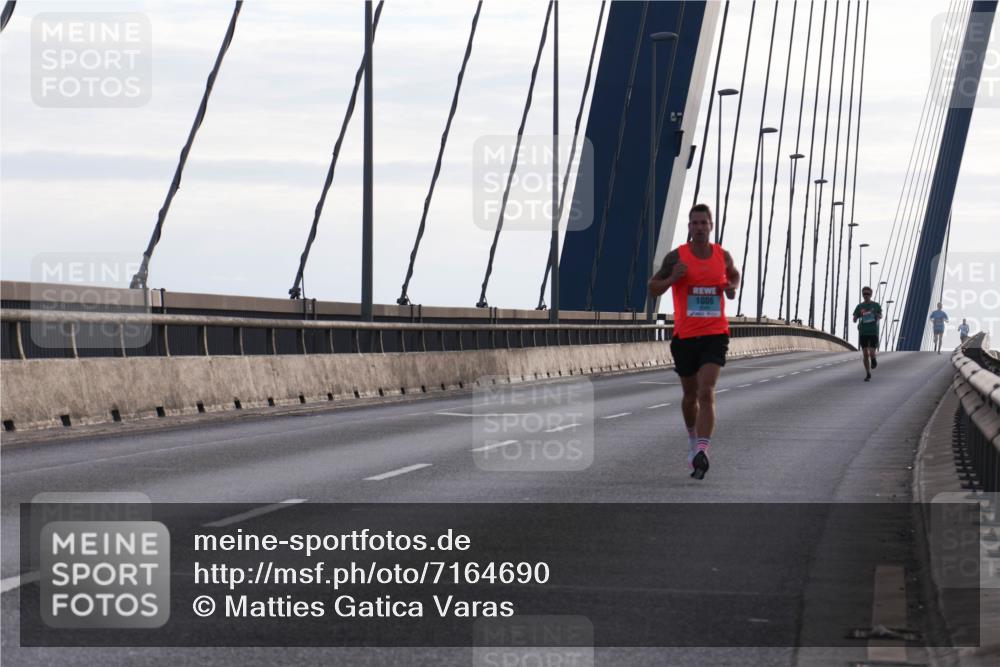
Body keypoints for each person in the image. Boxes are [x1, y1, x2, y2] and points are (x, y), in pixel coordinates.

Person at [649, 203, 740, 480]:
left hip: (715, 333)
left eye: (704, 223)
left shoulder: (722, 256)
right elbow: (653, 287)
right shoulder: (677, 257)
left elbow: (734, 274)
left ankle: (703, 450)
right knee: (690, 398)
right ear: (689, 227)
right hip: (685, 337)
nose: (700, 227)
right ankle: (692, 443)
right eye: (695, 223)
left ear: (711, 226)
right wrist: (672, 279)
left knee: (706, 391)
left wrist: (731, 288)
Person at [852, 287, 882, 382]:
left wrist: (877, 315)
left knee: (871, 353)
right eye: (864, 294)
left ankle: (873, 359)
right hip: (863, 332)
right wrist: (856, 318)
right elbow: (854, 318)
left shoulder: (875, 305)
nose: (866, 296)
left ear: (871, 295)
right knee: (865, 354)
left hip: (873, 332)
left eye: (868, 294)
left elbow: (880, 315)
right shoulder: (859, 306)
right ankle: (868, 373)